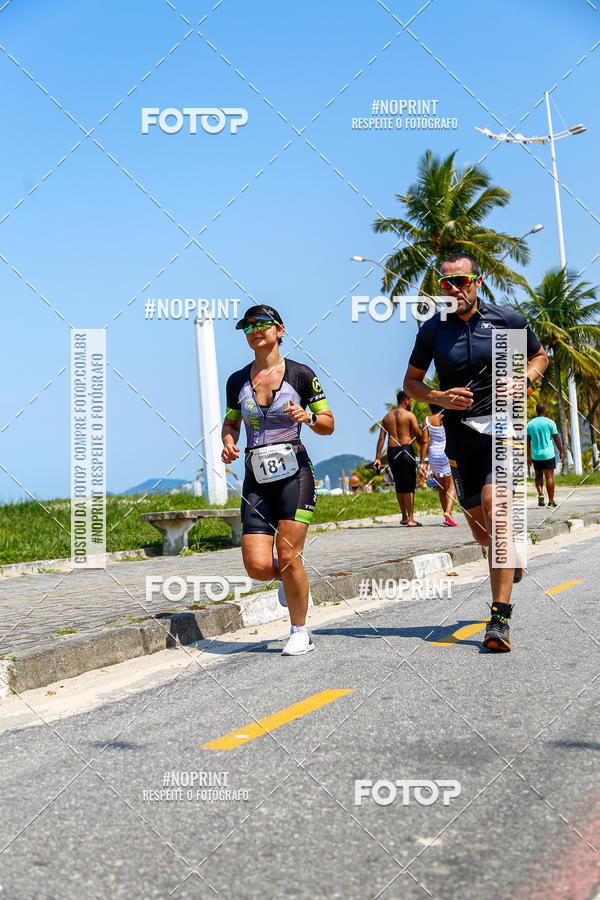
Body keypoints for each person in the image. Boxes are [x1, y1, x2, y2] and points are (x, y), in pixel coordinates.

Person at [404, 251, 548, 652]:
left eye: (460, 282)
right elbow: (412, 383)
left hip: (503, 429)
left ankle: (499, 620)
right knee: (481, 527)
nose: (453, 290)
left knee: (496, 509)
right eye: (445, 284)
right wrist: (439, 397)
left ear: (477, 282)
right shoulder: (433, 330)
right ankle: (505, 556)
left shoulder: (507, 321)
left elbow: (540, 356)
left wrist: (524, 378)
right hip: (459, 437)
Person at [221, 304, 334, 656]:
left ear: (279, 330)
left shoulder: (301, 375)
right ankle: (293, 580)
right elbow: (231, 423)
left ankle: (300, 631)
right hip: (256, 477)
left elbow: (329, 423)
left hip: (294, 474)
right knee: (256, 567)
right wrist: (228, 442)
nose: (255, 331)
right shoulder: (237, 380)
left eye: (262, 325)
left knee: (287, 555)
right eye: (247, 327)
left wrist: (309, 417)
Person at [373, 391, 423, 526]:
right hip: (406, 449)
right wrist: (424, 447)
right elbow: (418, 436)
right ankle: (411, 519)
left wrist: (377, 458)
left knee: (399, 484)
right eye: (411, 401)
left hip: (392, 451)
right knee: (409, 485)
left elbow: (381, 438)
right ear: (406, 400)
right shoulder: (409, 415)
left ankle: (404, 516)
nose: (412, 403)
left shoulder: (387, 417)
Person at [419, 405, 458, 526]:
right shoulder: (446, 415)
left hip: (433, 455)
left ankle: (447, 516)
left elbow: (424, 441)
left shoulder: (426, 420)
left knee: (442, 487)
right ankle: (448, 512)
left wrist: (421, 463)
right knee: (453, 485)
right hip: (447, 452)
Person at [527, 403, 563, 507]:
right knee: (549, 477)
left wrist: (528, 456)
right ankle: (551, 502)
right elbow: (556, 438)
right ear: (545, 410)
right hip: (548, 455)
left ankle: (541, 494)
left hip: (536, 455)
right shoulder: (550, 422)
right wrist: (561, 451)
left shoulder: (530, 424)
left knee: (538, 475)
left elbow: (528, 441)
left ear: (536, 411)